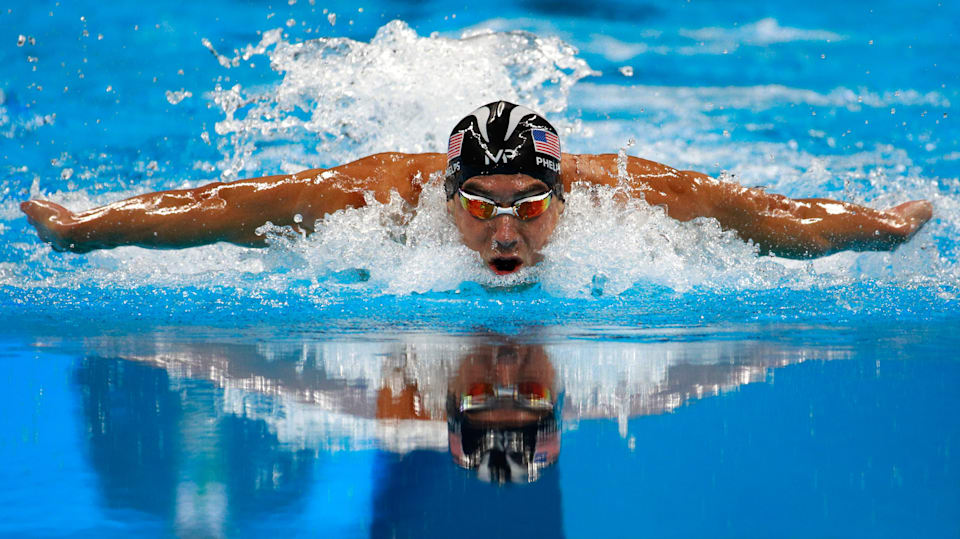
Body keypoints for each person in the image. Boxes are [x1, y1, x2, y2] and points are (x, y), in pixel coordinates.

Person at [20, 101, 933, 276]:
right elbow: (231, 206)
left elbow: (768, 216)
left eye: (529, 206)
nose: (506, 232)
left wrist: (878, 229)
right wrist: (90, 229)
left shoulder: (633, 197)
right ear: (446, 197)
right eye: (482, 205)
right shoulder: (374, 198)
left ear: (563, 196)